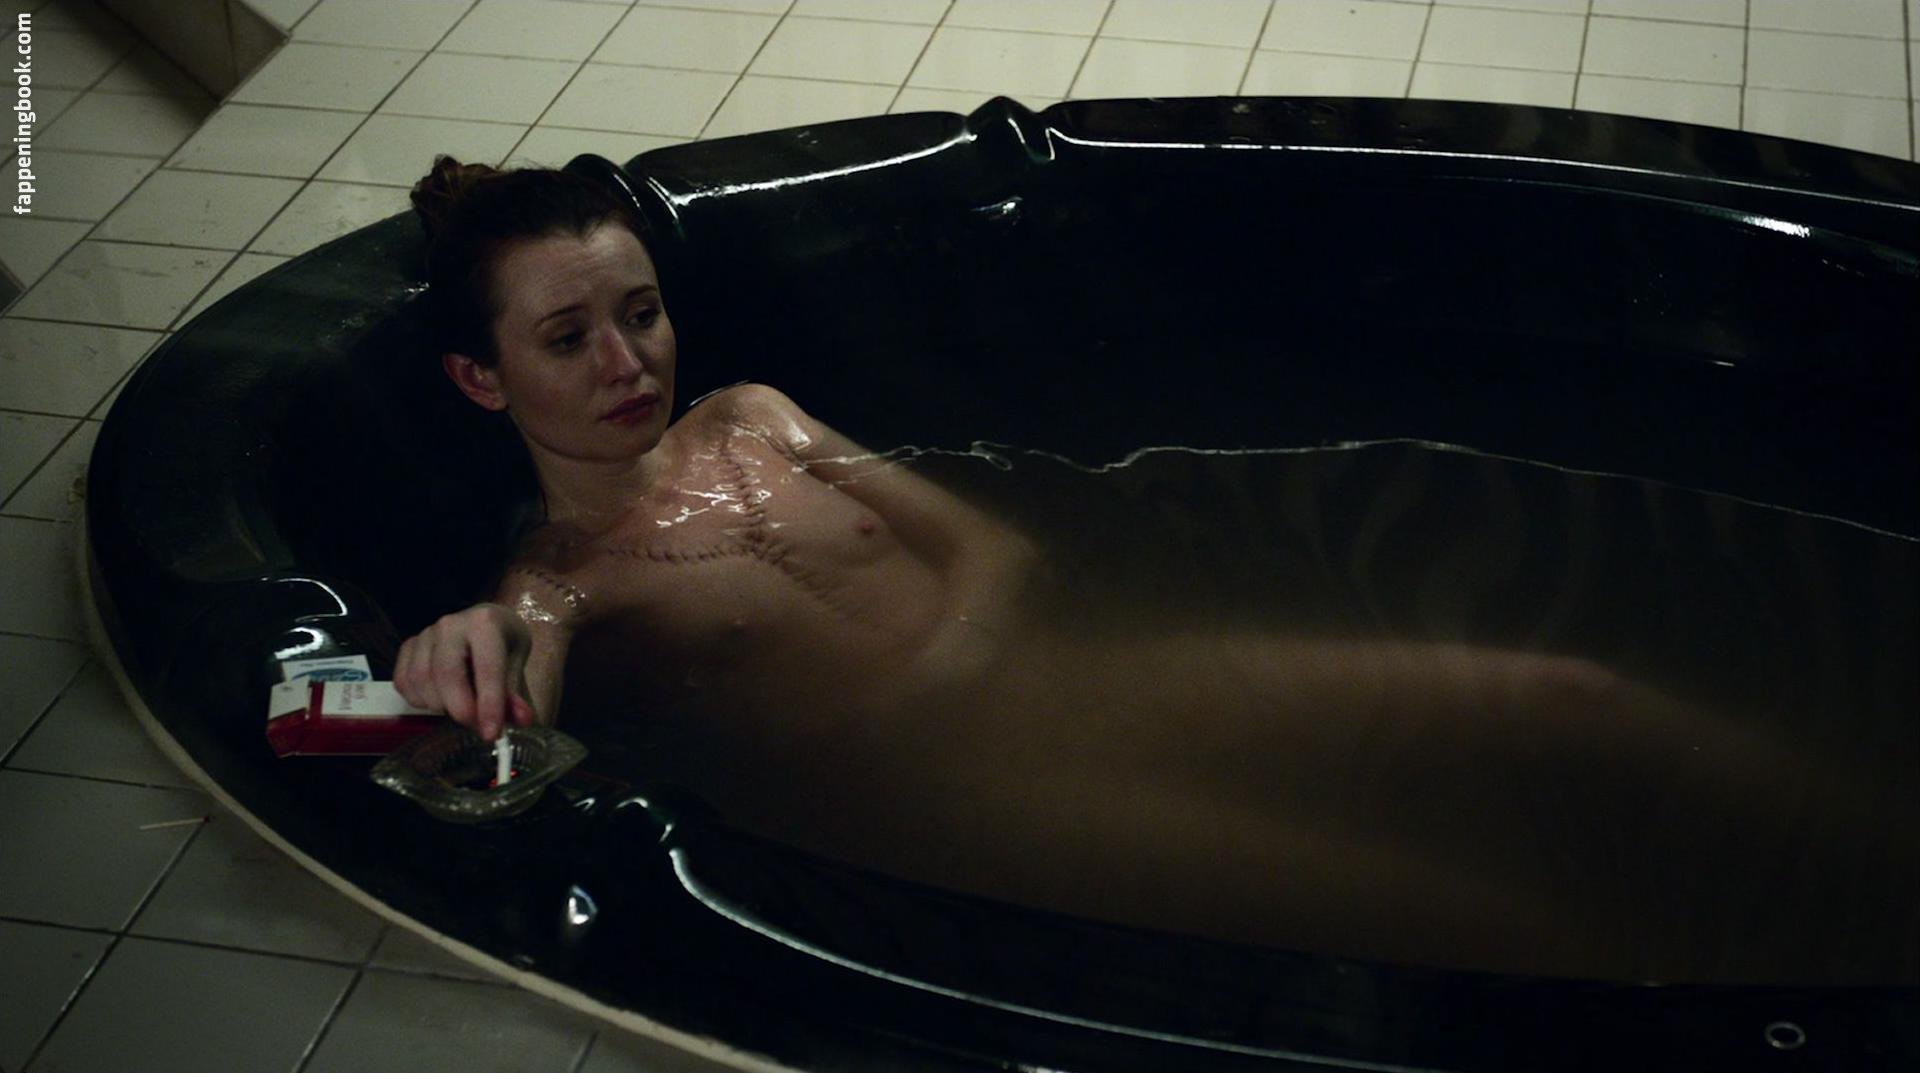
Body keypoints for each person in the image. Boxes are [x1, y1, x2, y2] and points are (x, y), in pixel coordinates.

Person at [393, 157, 1913, 985]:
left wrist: (979, 663)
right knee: (1461, 920)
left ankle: (1879, 856)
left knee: (1561, 692)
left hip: (1084, 678)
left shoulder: (754, 418)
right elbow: (504, 686)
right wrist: (456, 659)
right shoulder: (560, 581)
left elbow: (995, 540)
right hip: (976, 793)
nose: (628, 361)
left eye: (641, 312)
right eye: (569, 337)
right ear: (480, 377)